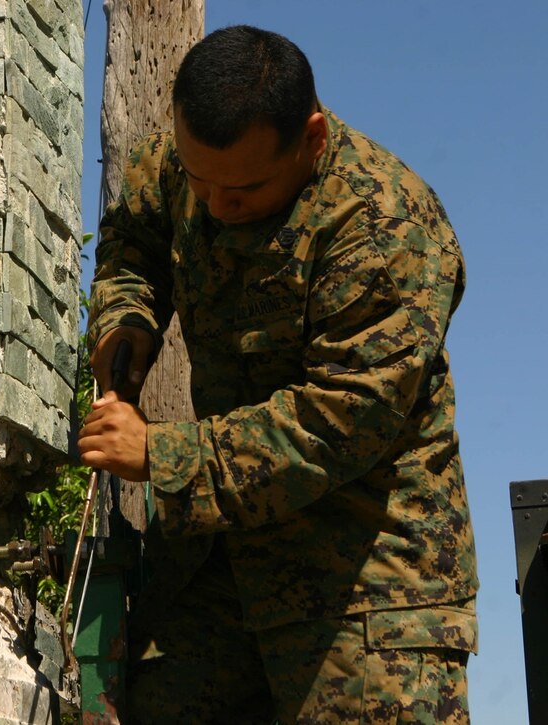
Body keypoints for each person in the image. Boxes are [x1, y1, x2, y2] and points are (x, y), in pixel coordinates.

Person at [77, 25, 478, 724]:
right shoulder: (184, 164)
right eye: (199, 181)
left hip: (367, 592)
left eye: (245, 189)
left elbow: (333, 425)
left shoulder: (385, 227)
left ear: (312, 138)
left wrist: (160, 454)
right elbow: (133, 240)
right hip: (228, 569)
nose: (214, 205)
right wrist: (127, 317)